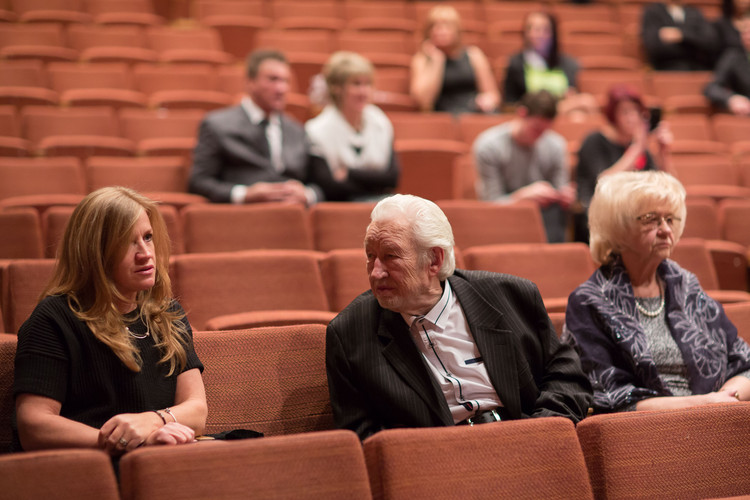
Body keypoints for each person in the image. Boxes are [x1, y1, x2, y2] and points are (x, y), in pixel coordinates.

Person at [326, 194, 592, 440]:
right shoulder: (350, 332)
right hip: (436, 463)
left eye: (390, 256)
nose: (375, 273)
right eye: (370, 257)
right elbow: (362, 435)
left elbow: (567, 376)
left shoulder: (511, 296)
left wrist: (541, 432)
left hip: (527, 439)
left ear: (434, 259)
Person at [13, 187, 207, 454]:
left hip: (168, 457)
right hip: (96, 466)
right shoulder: (54, 318)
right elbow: (34, 425)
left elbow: (196, 411)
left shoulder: (167, 313)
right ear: (94, 253)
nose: (145, 253)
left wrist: (152, 421)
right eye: (127, 243)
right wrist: (126, 441)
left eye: (148, 237)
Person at [564, 171, 750, 413]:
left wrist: (728, 397)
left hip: (718, 417)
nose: (665, 230)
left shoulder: (685, 286)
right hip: (648, 435)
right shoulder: (589, 302)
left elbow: (743, 361)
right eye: (651, 219)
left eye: (670, 219)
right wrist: (705, 404)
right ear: (618, 227)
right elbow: (610, 399)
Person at [189, 49, 324, 205]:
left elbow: (320, 184)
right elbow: (198, 182)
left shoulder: (297, 130)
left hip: (292, 218)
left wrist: (307, 195)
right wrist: (244, 194)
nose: (281, 89)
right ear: (250, 82)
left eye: (285, 81)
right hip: (244, 219)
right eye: (273, 80)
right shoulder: (217, 125)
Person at [574, 85, 675, 243]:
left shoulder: (640, 148)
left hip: (634, 217)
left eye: (637, 112)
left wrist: (663, 152)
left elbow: (666, 187)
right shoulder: (594, 141)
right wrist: (636, 148)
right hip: (599, 217)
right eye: (625, 112)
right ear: (613, 115)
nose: (632, 118)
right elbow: (603, 183)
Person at [473, 89, 574, 243]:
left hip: (545, 218)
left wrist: (565, 196)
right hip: (504, 221)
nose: (540, 136)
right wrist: (523, 197)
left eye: (546, 130)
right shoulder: (489, 146)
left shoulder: (556, 145)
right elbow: (490, 206)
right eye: (536, 129)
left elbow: (560, 189)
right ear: (522, 114)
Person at [304, 51, 399, 202]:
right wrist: (373, 181)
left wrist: (349, 174)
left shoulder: (380, 121)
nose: (363, 92)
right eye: (356, 84)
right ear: (337, 88)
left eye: (367, 84)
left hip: (380, 204)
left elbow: (392, 179)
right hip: (340, 209)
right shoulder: (316, 130)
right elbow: (329, 187)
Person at [503, 11, 598, 118]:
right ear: (525, 33)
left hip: (563, 113)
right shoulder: (516, 64)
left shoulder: (568, 63)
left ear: (553, 34)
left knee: (583, 107)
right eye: (532, 29)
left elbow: (571, 94)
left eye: (544, 30)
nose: (538, 34)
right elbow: (510, 104)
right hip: (532, 115)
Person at [410, 5, 500, 114]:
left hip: (474, 112)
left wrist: (487, 100)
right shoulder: (422, 60)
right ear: (428, 31)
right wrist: (437, 61)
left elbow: (493, 95)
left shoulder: (474, 54)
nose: (441, 31)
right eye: (436, 26)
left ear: (457, 30)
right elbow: (423, 101)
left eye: (447, 26)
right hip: (443, 118)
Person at [641, 0, 719, 71]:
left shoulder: (695, 13)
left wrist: (681, 35)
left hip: (697, 68)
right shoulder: (653, 13)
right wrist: (693, 45)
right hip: (666, 69)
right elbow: (654, 48)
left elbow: (710, 42)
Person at [704, 20, 750, 115]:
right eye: (745, 32)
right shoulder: (733, 57)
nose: (747, 36)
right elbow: (712, 88)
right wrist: (731, 98)